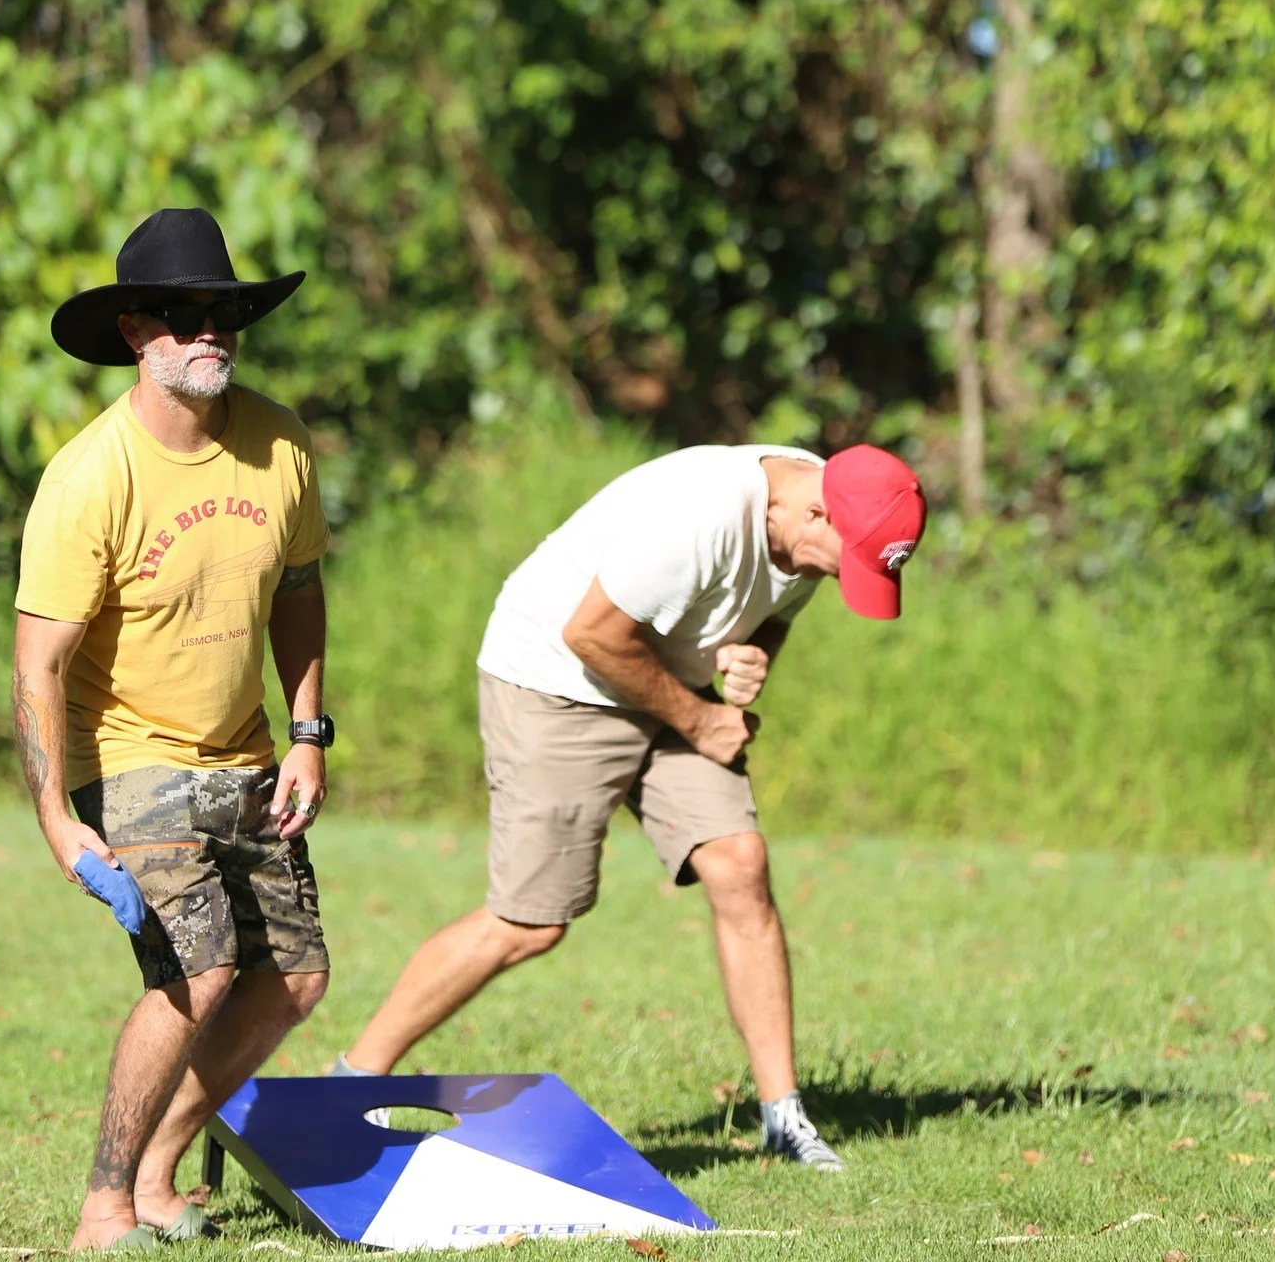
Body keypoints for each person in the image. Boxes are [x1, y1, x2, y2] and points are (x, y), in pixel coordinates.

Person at [336, 438, 925, 1171]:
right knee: (528, 923)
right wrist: (704, 718)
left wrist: (751, 654)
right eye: (840, 561)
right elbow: (588, 634)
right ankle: (350, 1081)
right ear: (812, 511)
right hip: (557, 681)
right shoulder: (702, 516)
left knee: (740, 864)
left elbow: (773, 606)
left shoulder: (823, 506)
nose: (832, 577)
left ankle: (783, 1118)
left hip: (662, 677)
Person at [13, 208, 336, 1252]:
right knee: (194, 964)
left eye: (228, 311)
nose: (213, 330)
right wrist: (59, 819)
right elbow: (38, 662)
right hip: (128, 754)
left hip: (244, 748)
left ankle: (157, 1171)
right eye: (187, 313)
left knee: (293, 975)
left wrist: (308, 729)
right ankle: (102, 1205)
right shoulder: (88, 475)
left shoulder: (279, 442)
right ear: (134, 333)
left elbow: (299, 587)